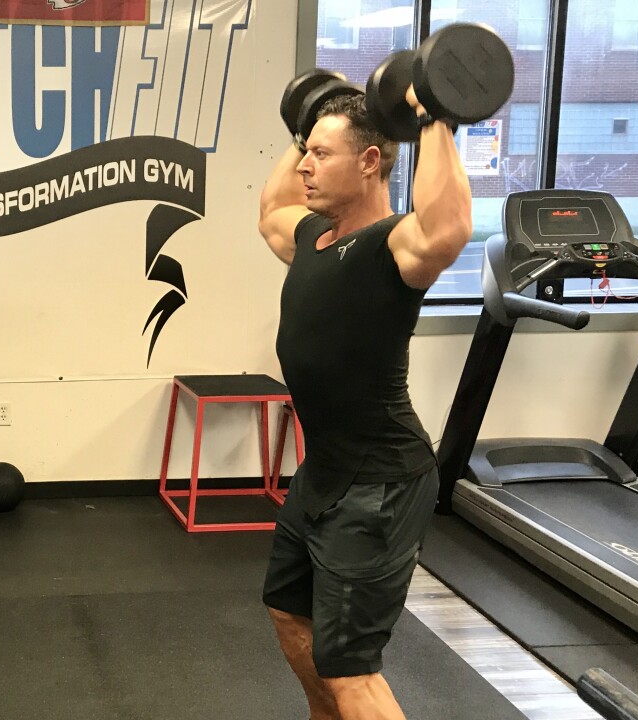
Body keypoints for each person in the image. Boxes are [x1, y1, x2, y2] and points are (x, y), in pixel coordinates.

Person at [256, 84, 473, 720]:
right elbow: (271, 210)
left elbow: (446, 228)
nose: (304, 166)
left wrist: (434, 114)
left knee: (350, 668)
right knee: (289, 614)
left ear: (371, 161)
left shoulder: (391, 246)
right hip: (323, 473)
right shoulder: (310, 237)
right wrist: (305, 120)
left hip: (380, 482)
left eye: (321, 154)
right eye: (305, 152)